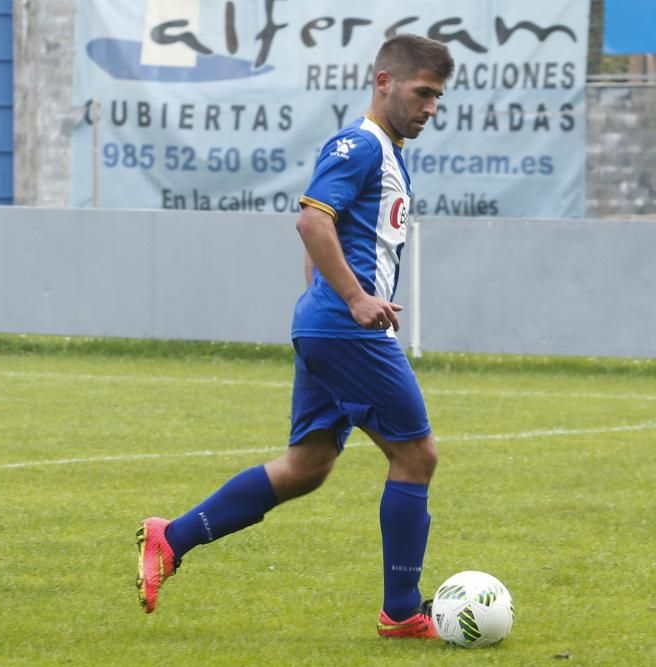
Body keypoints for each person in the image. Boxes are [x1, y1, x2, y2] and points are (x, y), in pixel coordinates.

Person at [136, 35, 455, 638]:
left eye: (437, 97)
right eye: (422, 93)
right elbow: (311, 220)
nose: (430, 107)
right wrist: (354, 300)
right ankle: (404, 612)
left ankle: (170, 539)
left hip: (330, 327)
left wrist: (324, 299)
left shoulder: (386, 152)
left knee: (307, 466)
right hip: (348, 331)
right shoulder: (359, 145)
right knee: (416, 455)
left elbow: (322, 232)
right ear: (384, 81)